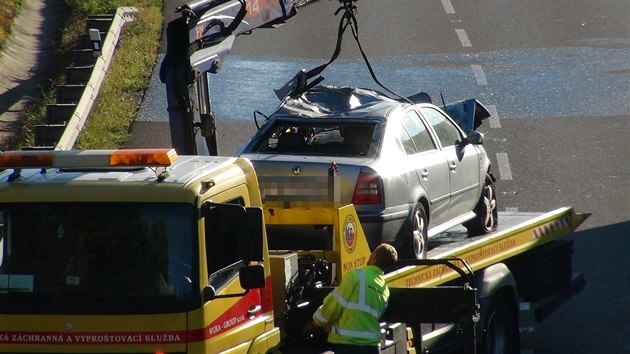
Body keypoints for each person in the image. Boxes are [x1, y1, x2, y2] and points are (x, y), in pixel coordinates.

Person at [310, 243, 398, 354]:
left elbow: (334, 304)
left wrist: (315, 322)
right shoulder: (385, 290)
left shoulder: (355, 276)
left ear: (374, 256)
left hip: (349, 345)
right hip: (372, 347)